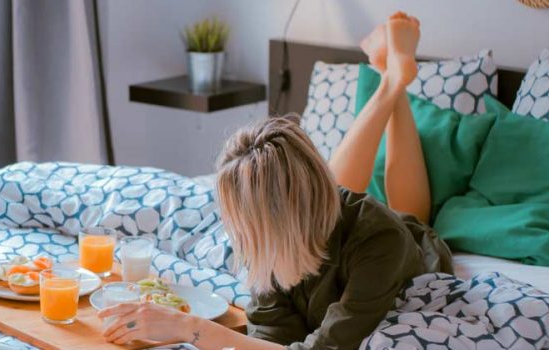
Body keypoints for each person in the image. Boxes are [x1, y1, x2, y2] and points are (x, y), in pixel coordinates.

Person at [98, 12, 453, 350]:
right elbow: (270, 339)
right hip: (316, 216)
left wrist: (191, 329)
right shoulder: (268, 245)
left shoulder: (380, 241)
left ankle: (393, 80)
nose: (237, 235)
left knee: (410, 214)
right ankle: (391, 76)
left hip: (404, 240)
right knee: (334, 191)